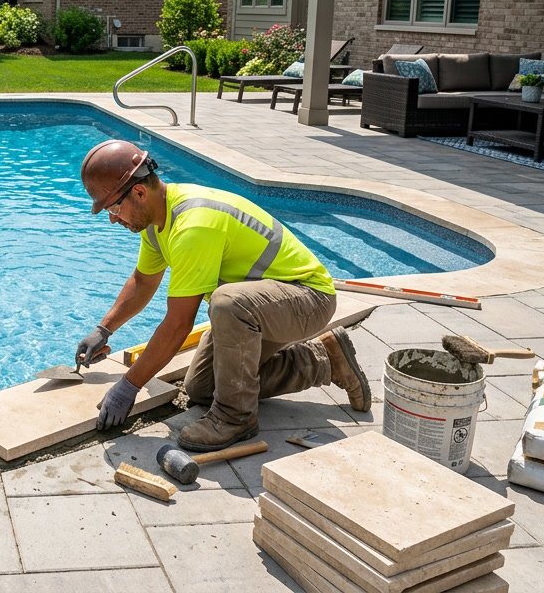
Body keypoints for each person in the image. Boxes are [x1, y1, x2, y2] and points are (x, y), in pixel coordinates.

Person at [74, 139, 370, 452]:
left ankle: (235, 418)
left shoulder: (193, 226)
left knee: (227, 303)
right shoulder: (158, 221)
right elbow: (143, 281)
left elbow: (178, 324)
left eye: (113, 207)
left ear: (138, 192)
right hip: (264, 309)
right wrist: (103, 329)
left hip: (308, 299)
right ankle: (325, 360)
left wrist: (129, 386)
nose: (112, 218)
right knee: (202, 388)